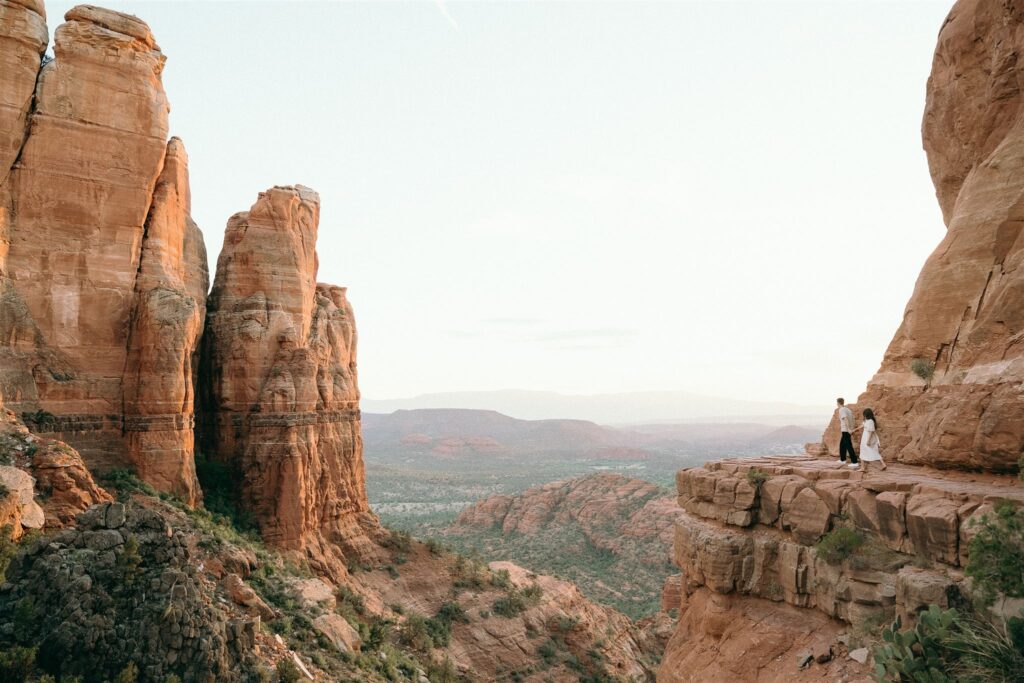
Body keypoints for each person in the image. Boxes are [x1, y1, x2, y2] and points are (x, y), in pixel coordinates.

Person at [858, 408, 887, 474]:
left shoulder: (870, 421)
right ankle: (883, 464)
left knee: (863, 451)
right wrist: (855, 429)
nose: (864, 415)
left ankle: (863, 468)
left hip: (868, 438)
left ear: (866, 414)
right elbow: (862, 425)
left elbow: (871, 431)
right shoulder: (867, 420)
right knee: (872, 451)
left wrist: (868, 441)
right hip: (865, 437)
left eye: (864, 414)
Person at [836, 398, 858, 468]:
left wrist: (848, 429)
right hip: (847, 429)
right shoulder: (848, 409)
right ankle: (843, 459)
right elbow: (852, 419)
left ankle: (855, 462)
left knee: (848, 445)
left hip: (846, 430)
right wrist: (851, 428)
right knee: (842, 444)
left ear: (838, 403)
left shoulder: (842, 409)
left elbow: (845, 418)